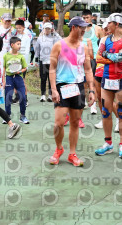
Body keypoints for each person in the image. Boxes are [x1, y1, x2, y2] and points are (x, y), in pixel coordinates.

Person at [48, 16, 96, 166]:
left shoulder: (84, 47)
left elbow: (88, 70)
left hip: (78, 87)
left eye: (85, 28)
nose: (84, 30)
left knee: (75, 122)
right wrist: (53, 90)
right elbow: (52, 69)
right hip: (62, 87)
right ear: (74, 27)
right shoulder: (59, 45)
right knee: (58, 123)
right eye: (81, 28)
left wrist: (91, 90)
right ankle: (58, 149)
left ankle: (72, 154)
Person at [95, 13, 122, 159]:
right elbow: (98, 58)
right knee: (106, 111)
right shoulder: (105, 39)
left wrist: (106, 54)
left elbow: (121, 56)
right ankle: (108, 143)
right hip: (107, 78)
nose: (106, 26)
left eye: (109, 23)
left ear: (116, 24)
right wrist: (110, 56)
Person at [4, 36, 30, 123]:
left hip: (19, 78)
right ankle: (7, 117)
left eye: (20, 44)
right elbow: (3, 67)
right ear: (12, 45)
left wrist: (20, 71)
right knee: (8, 97)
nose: (20, 46)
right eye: (18, 44)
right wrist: (3, 80)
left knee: (22, 96)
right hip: (9, 78)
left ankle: (22, 116)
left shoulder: (21, 56)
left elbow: (25, 68)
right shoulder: (6, 55)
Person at [34, 22, 62, 102]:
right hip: (43, 60)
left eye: (49, 29)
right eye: (46, 29)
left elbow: (61, 40)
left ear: (51, 29)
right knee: (43, 78)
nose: (47, 30)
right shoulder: (40, 38)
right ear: (43, 29)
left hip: (52, 61)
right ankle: (43, 95)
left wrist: (55, 33)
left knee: (51, 78)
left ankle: (50, 94)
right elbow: (37, 49)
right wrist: (36, 59)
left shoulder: (54, 38)